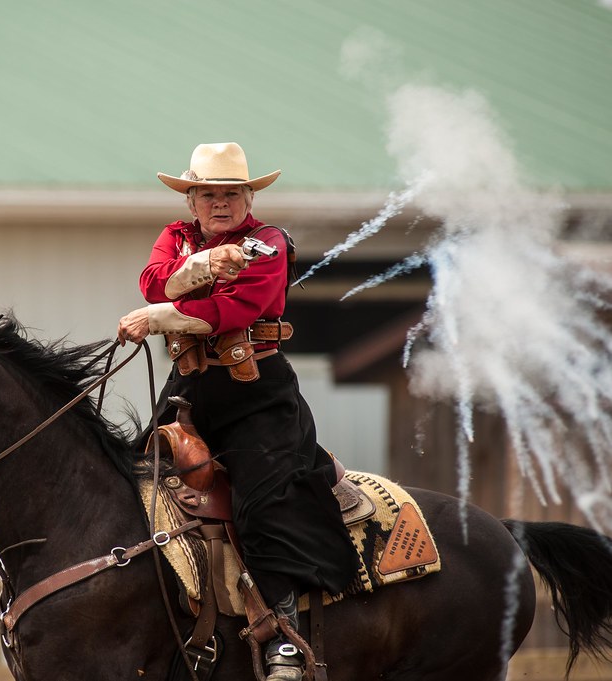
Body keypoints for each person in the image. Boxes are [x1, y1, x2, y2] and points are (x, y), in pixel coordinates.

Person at [117, 142, 358, 681]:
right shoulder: (176, 239)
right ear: (192, 200)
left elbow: (234, 311)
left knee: (259, 504)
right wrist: (202, 264)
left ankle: (285, 638)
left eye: (231, 194)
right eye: (208, 194)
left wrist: (159, 316)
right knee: (131, 485)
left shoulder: (269, 244)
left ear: (249, 197)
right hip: (190, 390)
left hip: (257, 396)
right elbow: (153, 279)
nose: (219, 204)